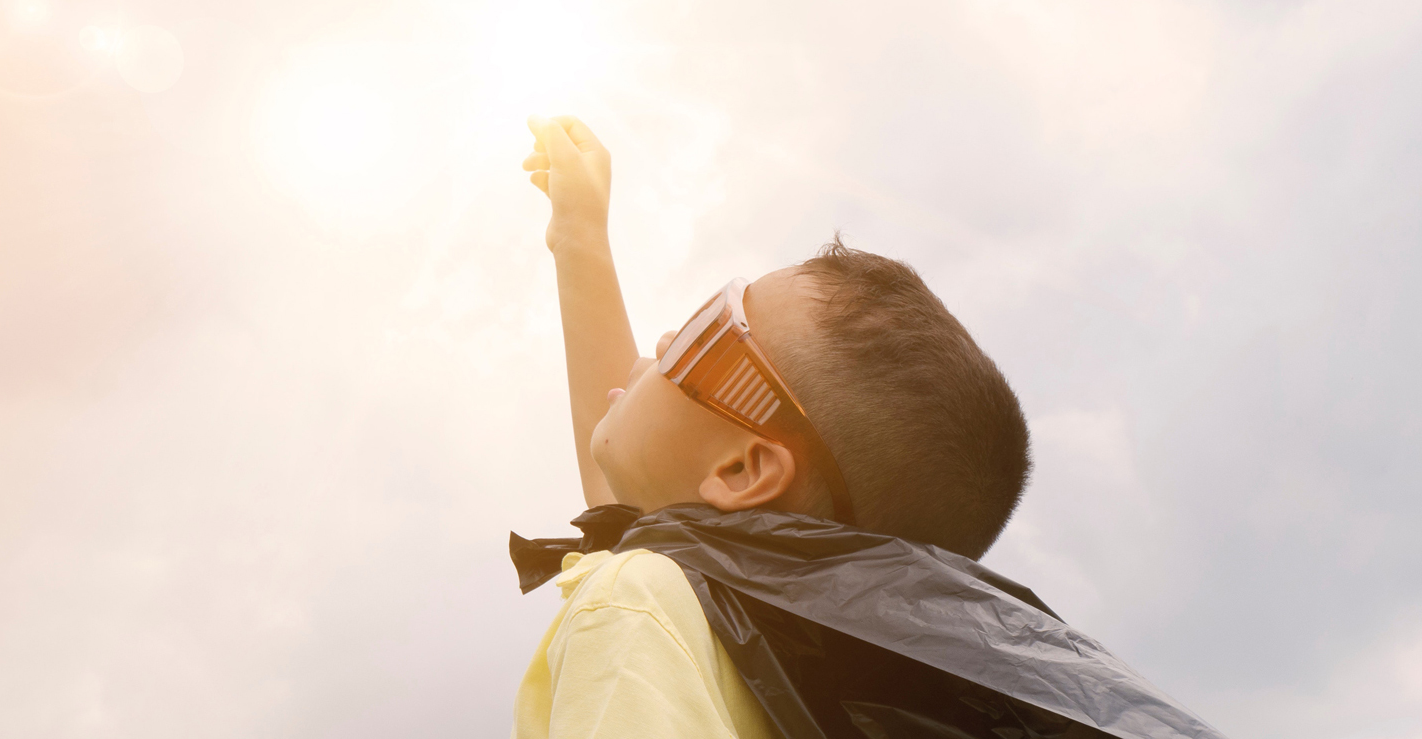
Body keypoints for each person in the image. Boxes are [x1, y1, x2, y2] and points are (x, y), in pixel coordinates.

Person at [510, 115, 1222, 739]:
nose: (664, 339)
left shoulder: (638, 605)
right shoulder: (780, 653)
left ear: (741, 471)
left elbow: (634, 524)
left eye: (706, 332)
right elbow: (630, 494)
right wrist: (579, 234)